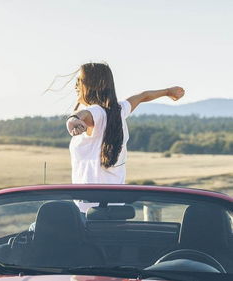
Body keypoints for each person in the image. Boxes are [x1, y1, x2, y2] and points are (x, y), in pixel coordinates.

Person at [66, 63, 184, 212]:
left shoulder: (95, 112)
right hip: (115, 208)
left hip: (87, 210)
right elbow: (143, 96)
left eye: (79, 81)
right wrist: (168, 91)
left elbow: (81, 116)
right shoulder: (118, 111)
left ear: (94, 84)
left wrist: (73, 121)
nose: (76, 86)